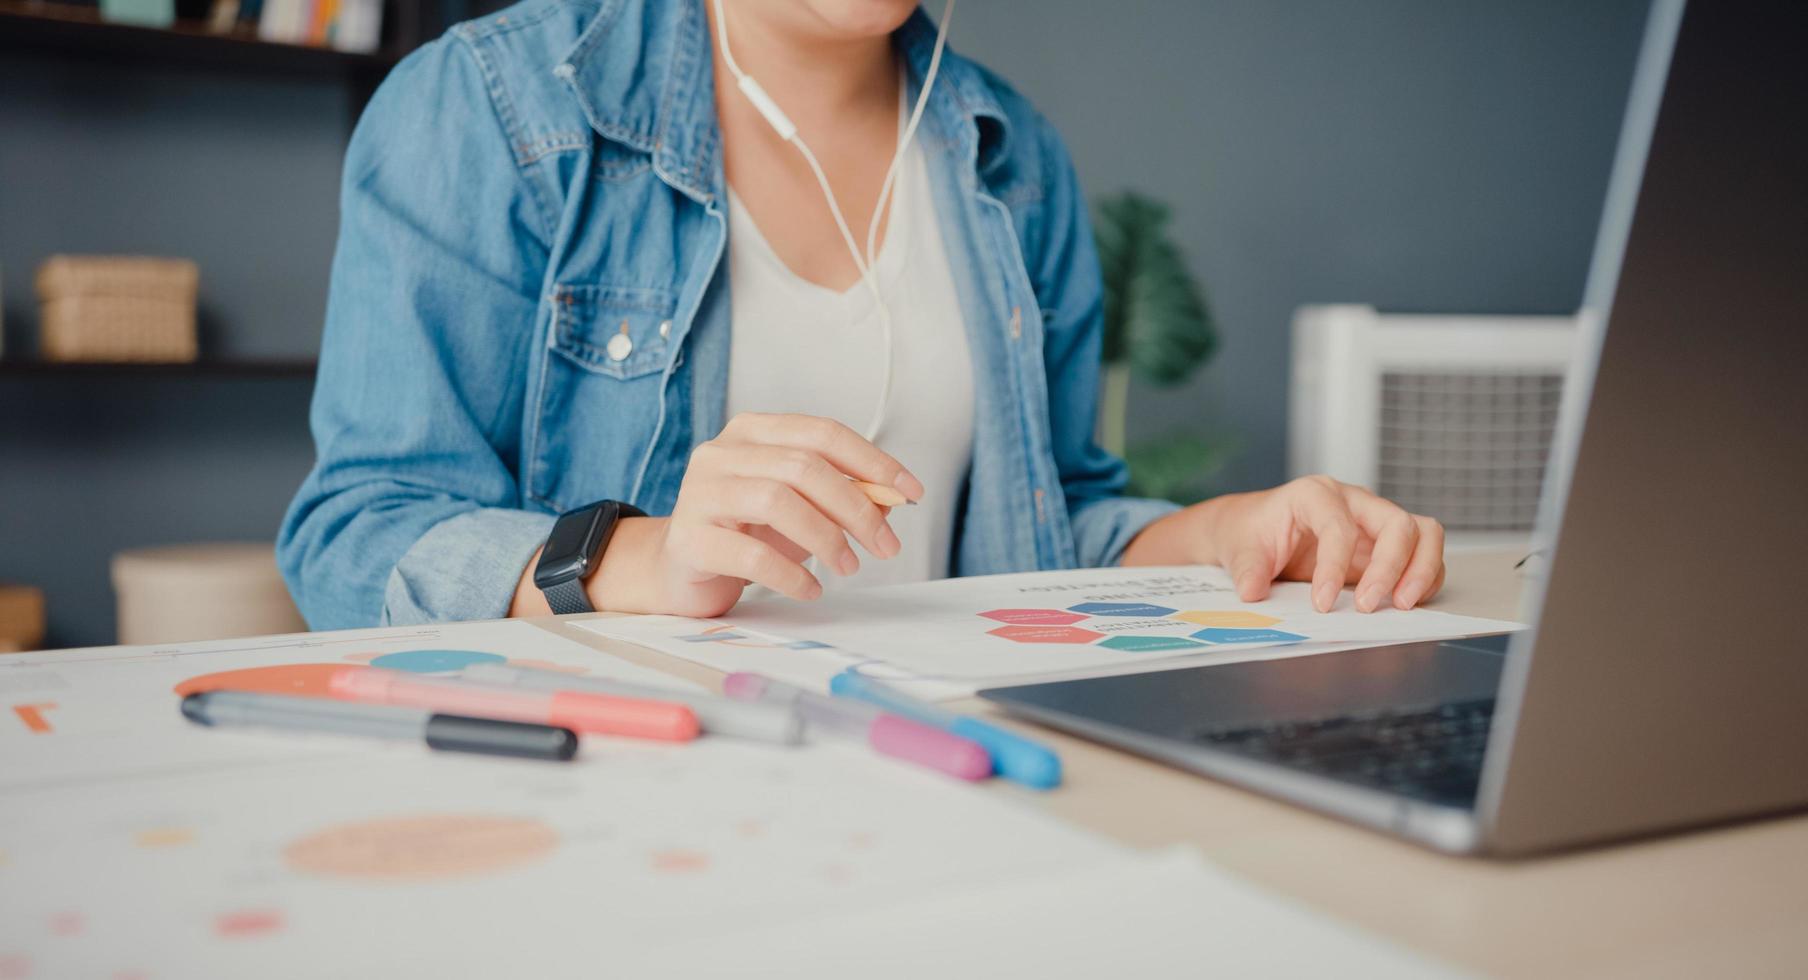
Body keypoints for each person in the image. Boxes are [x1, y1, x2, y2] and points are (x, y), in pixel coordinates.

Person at [277, 0, 1446, 629]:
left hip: (950, 781)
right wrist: (635, 554)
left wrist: (1227, 533)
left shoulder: (1013, 157)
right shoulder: (489, 107)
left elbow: (1046, 525)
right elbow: (354, 533)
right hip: (613, 797)